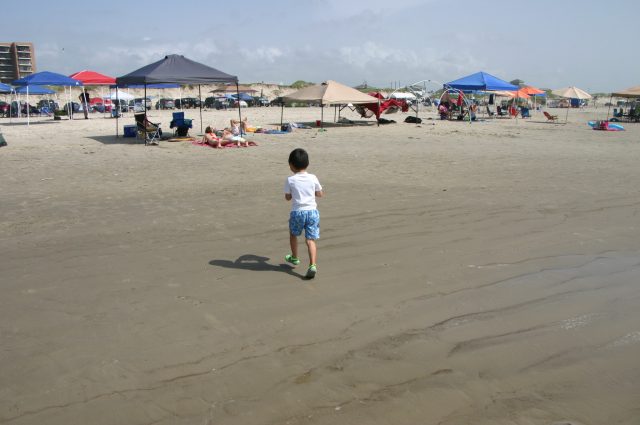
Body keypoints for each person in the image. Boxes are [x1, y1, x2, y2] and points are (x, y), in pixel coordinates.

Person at [284, 148, 324, 279]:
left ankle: (295, 257)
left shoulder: (290, 180)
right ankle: (313, 265)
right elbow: (320, 194)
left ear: (291, 165)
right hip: (312, 212)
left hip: (298, 212)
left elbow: (288, 197)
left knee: (293, 234)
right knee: (310, 239)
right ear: (307, 164)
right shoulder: (313, 177)